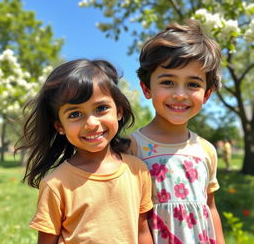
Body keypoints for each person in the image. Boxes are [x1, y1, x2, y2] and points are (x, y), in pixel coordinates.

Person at [15, 59, 153, 244]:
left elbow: (142, 231)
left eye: (101, 108)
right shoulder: (56, 185)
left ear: (118, 111)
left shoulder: (137, 170)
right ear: (59, 126)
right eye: (75, 114)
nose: (91, 123)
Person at [129, 20, 225, 244]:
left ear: (207, 94)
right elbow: (131, 215)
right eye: (168, 82)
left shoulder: (206, 150)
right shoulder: (132, 147)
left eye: (193, 84)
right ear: (147, 89)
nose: (180, 94)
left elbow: (210, 207)